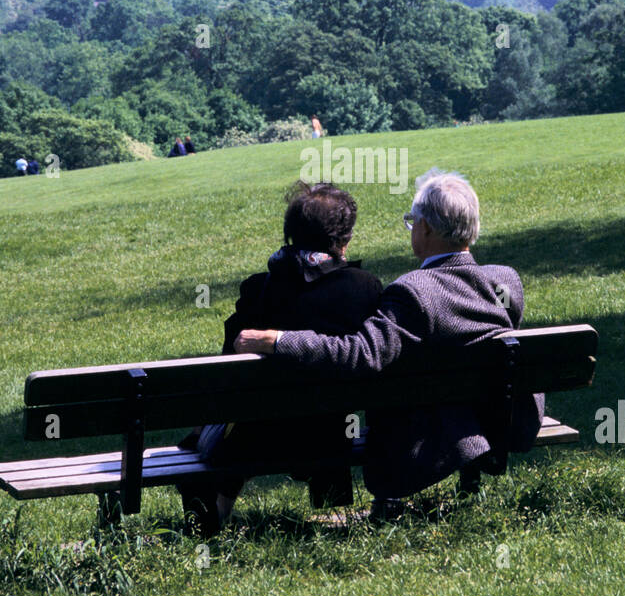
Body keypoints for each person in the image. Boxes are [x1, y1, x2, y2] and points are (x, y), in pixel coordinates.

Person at [235, 169, 539, 520]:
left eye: (413, 222)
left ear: (425, 228)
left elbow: (360, 354)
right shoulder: (506, 282)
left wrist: (281, 340)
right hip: (500, 419)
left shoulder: (413, 293)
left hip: (431, 440)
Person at [180, 182, 383, 529]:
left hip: (255, 440)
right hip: (333, 434)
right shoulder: (365, 289)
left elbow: (228, 371)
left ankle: (209, 521)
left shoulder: (257, 291)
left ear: (290, 235)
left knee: (217, 432)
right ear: (343, 240)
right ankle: (333, 503)